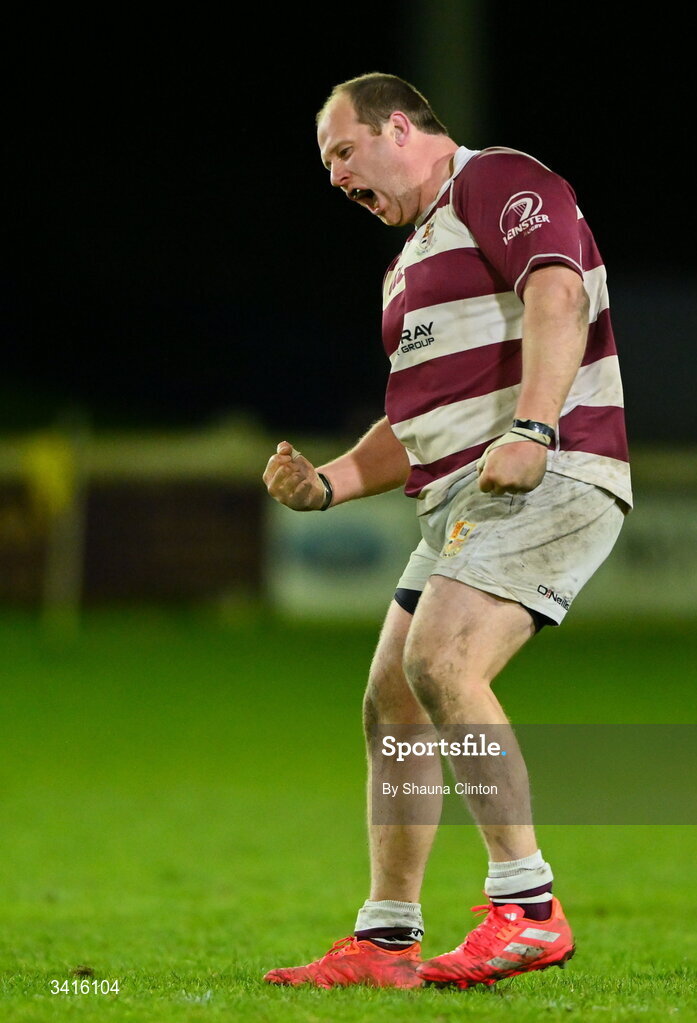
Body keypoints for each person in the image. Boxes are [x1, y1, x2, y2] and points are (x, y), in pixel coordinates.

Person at [262, 72, 631, 990]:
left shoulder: (493, 180)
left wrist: (535, 425)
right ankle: (387, 940)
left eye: (343, 150)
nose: (337, 176)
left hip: (550, 466)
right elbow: (417, 419)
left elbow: (558, 292)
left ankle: (527, 907)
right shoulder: (408, 262)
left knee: (441, 663)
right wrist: (330, 482)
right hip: (461, 495)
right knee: (392, 698)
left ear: (398, 125)